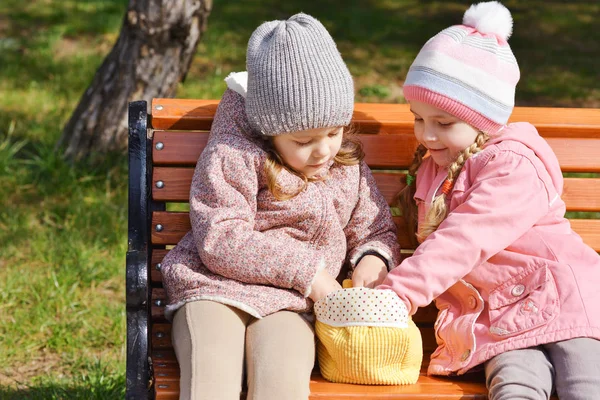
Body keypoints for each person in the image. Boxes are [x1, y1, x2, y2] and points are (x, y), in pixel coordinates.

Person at [160, 13, 400, 400]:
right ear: (269, 132)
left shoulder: (347, 165)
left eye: (334, 132)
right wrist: (308, 271)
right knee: (211, 381)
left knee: (281, 384)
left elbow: (375, 231)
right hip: (212, 289)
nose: (323, 150)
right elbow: (221, 237)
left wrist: (371, 264)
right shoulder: (233, 152)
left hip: (290, 306)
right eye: (303, 141)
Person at [377, 2, 600, 399]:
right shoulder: (435, 167)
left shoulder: (512, 164)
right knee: (513, 385)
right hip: (503, 321)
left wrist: (398, 294)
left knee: (585, 385)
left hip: (567, 301)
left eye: (444, 123)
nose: (426, 136)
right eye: (418, 118)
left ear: (485, 119)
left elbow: (466, 237)